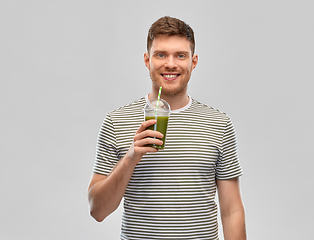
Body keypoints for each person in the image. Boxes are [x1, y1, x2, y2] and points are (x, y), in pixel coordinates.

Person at [88, 16, 246, 240]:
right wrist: (131, 157)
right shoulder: (116, 121)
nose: (170, 64)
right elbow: (97, 210)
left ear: (193, 62)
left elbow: (232, 211)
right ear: (147, 60)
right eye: (160, 54)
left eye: (180, 55)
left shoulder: (218, 124)